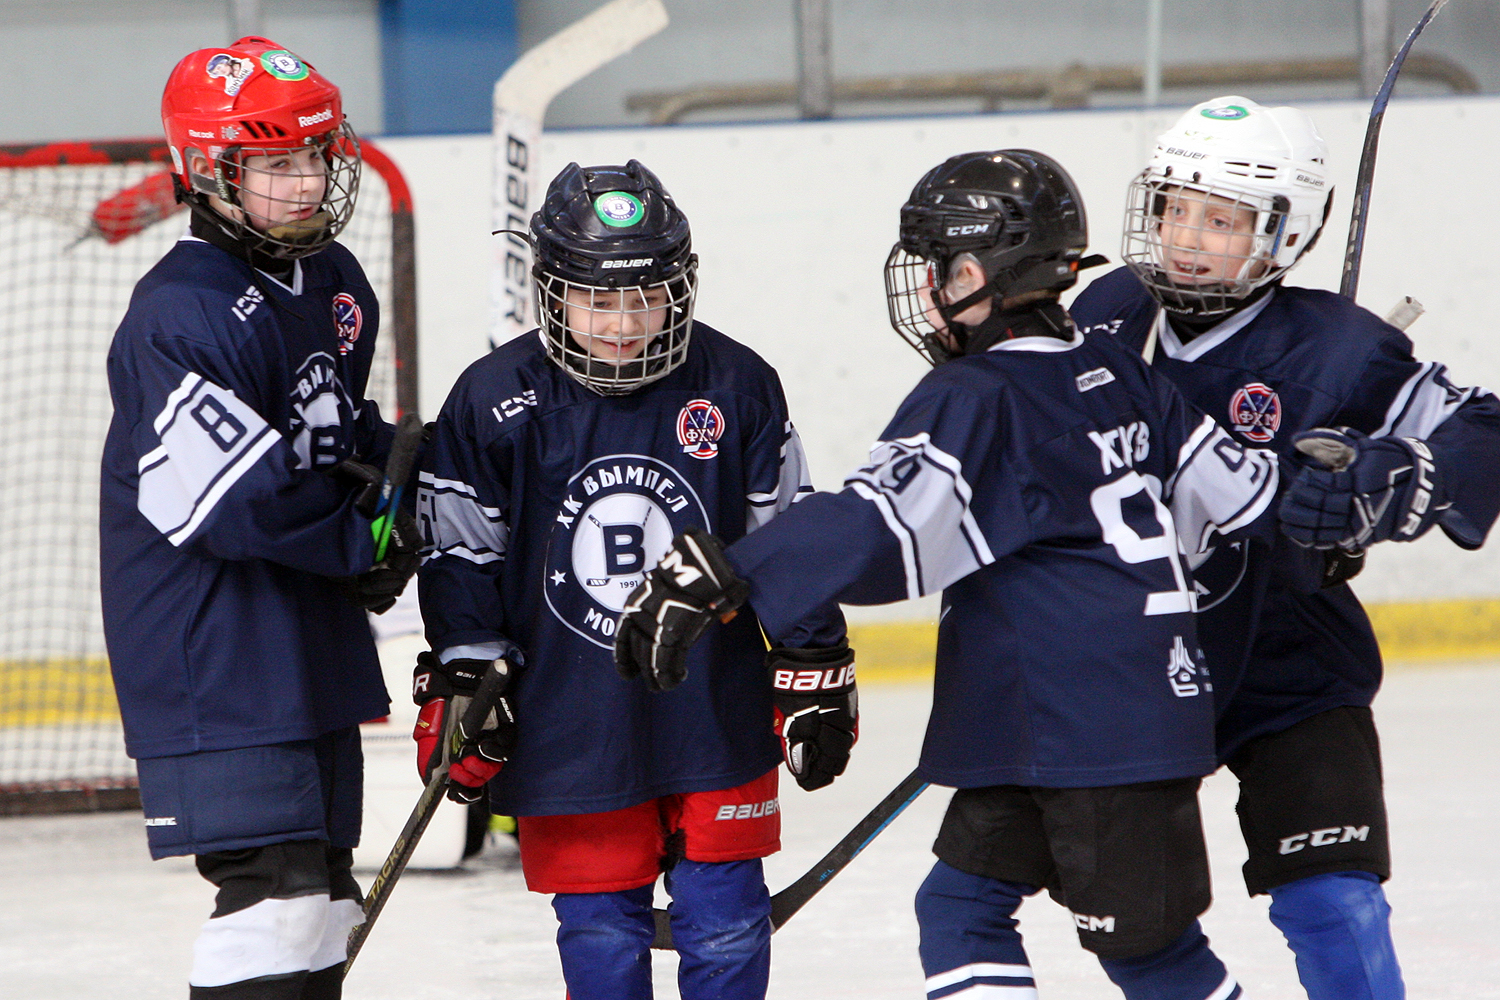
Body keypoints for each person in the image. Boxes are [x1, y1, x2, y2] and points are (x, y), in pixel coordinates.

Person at [615, 149, 1282, 1000]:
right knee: (960, 908)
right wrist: (1341, 496)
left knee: (1154, 958)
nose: (925, 290)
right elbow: (1246, 494)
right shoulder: (1120, 371)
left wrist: (722, 572)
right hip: (1074, 720)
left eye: (935, 267)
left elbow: (879, 525)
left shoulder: (979, 394)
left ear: (973, 275)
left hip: (1090, 734)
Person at [1068, 95, 1500, 1000]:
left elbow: (1483, 433)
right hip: (1131, 673)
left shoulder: (1339, 349)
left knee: (1333, 904)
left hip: (1288, 664)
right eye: (1175, 209)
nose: (1187, 239)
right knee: (1133, 924)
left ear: (1285, 233)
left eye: (1222, 220)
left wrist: (1386, 476)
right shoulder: (1107, 311)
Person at [413, 159, 852, 1000]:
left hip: (714, 708)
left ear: (680, 289)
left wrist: (814, 662)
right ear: (551, 292)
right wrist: (467, 665)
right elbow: (461, 553)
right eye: (596, 299)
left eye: (646, 297)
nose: (623, 323)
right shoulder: (494, 399)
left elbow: (787, 538)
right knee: (599, 933)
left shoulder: (738, 385)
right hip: (569, 720)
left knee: (727, 921)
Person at [100, 36, 418, 1000]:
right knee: (272, 895)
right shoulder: (177, 314)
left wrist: (412, 477)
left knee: (322, 901)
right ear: (208, 171)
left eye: (315, 154)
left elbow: (334, 438)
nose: (307, 180)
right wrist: (364, 539)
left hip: (306, 638)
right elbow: (237, 498)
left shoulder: (334, 279)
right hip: (218, 651)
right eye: (275, 163)